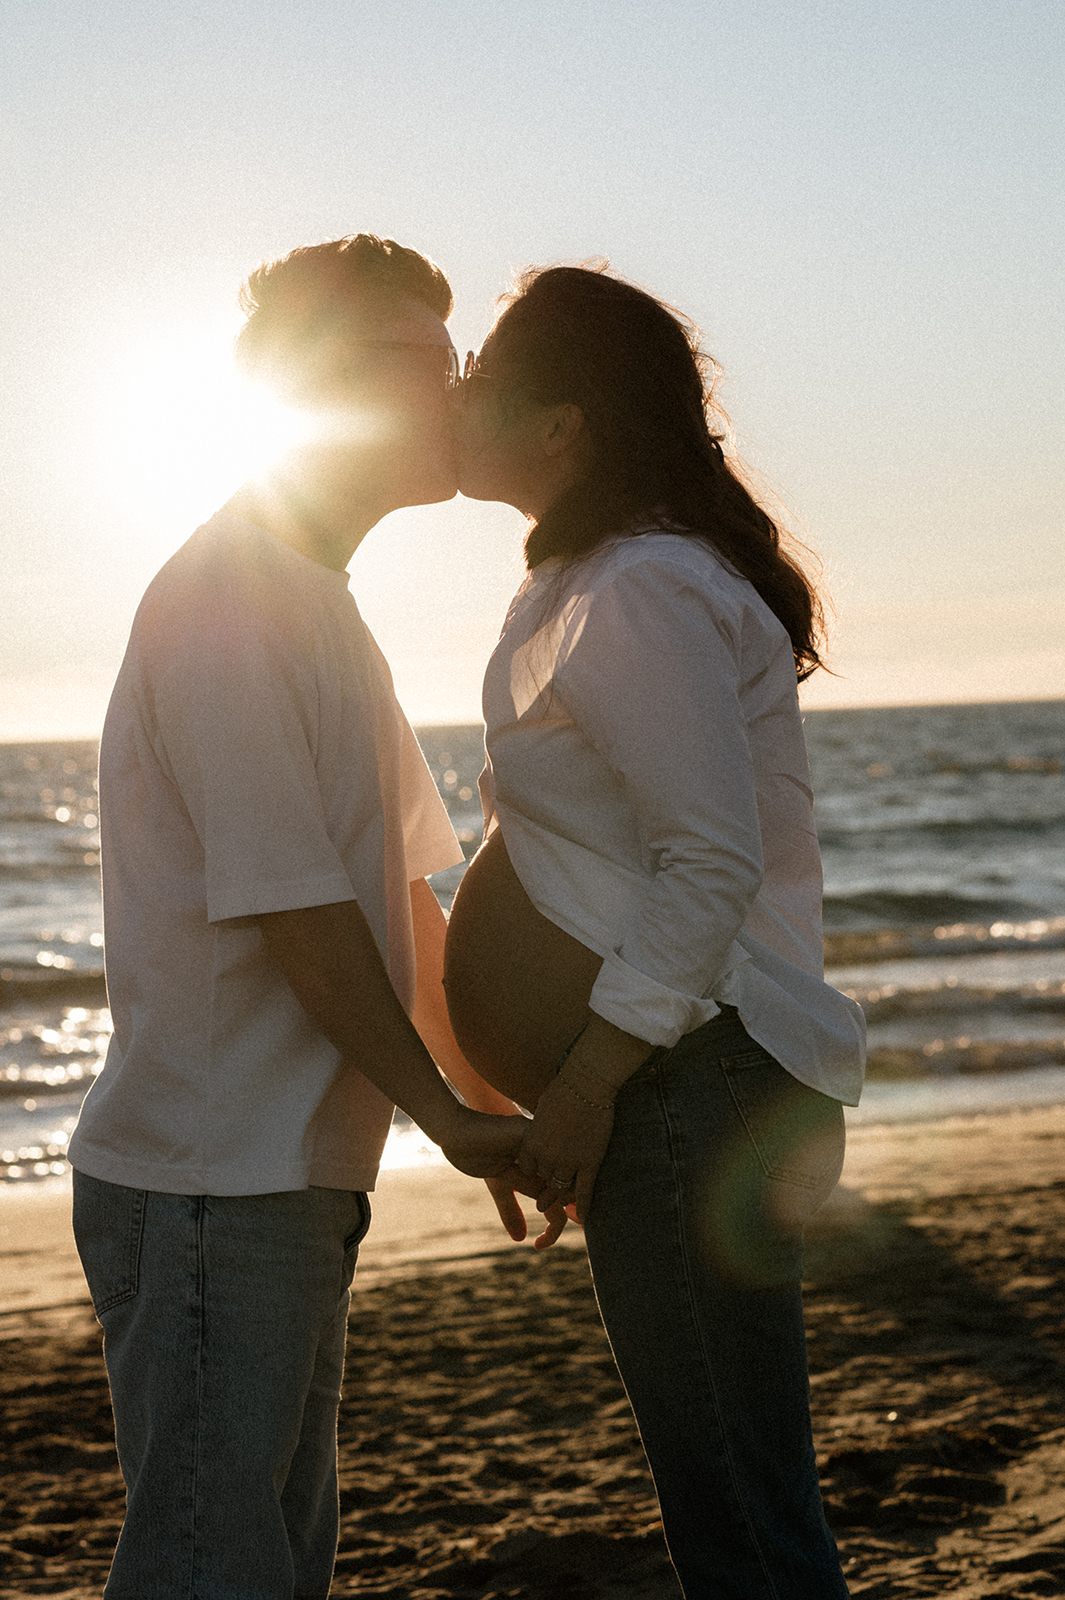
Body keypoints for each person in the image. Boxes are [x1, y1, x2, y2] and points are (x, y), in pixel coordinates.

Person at [67, 234, 532, 1600]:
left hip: (280, 1176)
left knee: (274, 1559)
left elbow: (397, 904)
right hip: (211, 1180)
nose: (459, 389)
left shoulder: (315, 596)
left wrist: (485, 1101)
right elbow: (298, 917)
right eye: (426, 362)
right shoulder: (228, 600)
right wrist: (443, 1116)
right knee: (213, 1567)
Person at [443, 263, 867, 1599]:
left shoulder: (636, 586)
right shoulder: (593, 579)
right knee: (734, 1503)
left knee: (741, 1519)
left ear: (560, 423)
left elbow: (708, 862)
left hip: (691, 1085)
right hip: (678, 1084)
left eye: (477, 380)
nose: (454, 400)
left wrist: (582, 1085)